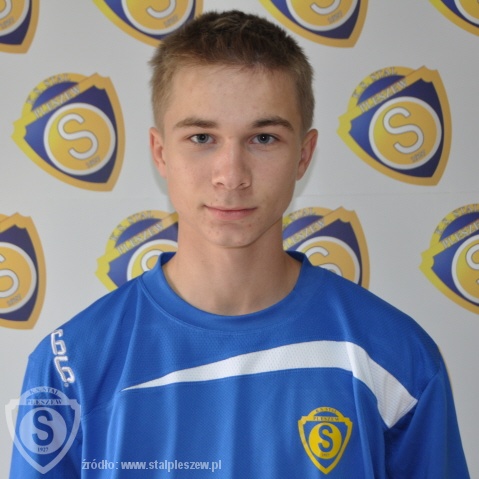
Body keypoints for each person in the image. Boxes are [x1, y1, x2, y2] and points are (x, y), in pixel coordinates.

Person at [10, 9, 469, 478]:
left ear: (304, 154)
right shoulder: (72, 365)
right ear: (161, 153)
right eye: (202, 137)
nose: (231, 176)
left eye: (263, 138)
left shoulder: (397, 357)